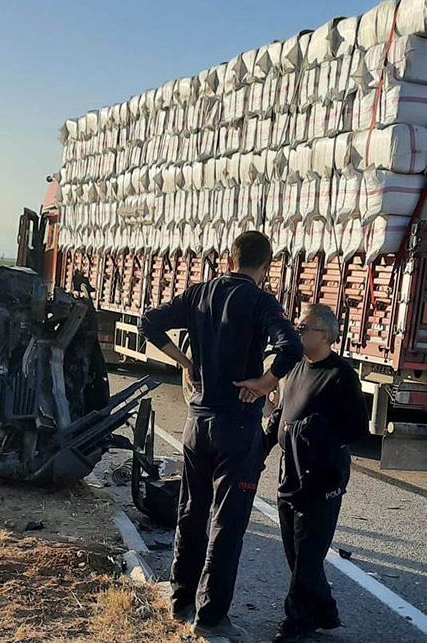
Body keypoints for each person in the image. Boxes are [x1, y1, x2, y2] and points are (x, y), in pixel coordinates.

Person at [139, 230, 302, 640]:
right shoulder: (261, 301)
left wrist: (185, 361)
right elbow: (292, 347)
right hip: (237, 424)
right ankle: (211, 617)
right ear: (266, 266)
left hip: (197, 423)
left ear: (230, 260)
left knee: (191, 513)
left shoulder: (199, 293)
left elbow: (148, 322)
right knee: (227, 523)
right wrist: (265, 382)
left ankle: (181, 601)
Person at [263, 304, 368, 642]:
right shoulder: (296, 367)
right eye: (297, 326)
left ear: (325, 335)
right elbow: (281, 413)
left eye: (303, 327)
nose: (297, 332)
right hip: (290, 472)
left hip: (322, 475)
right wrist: (259, 451)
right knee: (295, 551)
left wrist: (317, 430)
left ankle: (297, 620)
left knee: (309, 552)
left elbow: (357, 430)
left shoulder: (340, 375)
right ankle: (324, 610)